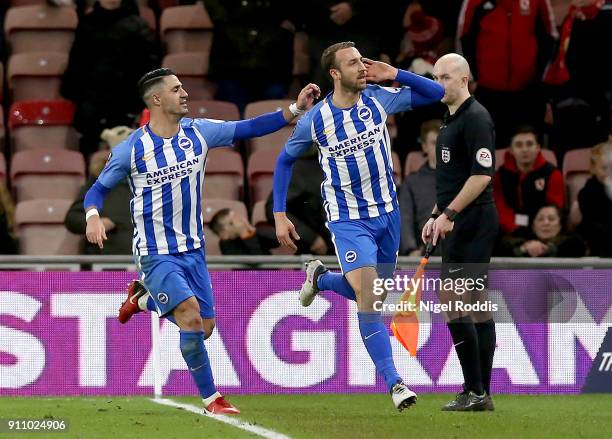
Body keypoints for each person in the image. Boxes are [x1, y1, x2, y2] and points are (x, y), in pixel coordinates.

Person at [84, 68, 320, 414]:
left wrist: (295, 109)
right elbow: (97, 190)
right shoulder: (131, 150)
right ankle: (213, 399)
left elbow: (250, 127)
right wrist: (92, 217)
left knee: (205, 329)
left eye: (183, 87)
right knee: (191, 319)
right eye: (176, 89)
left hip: (193, 250)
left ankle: (142, 299)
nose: (184, 94)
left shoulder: (198, 132)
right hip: (155, 252)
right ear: (157, 99)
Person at [272, 41, 445, 411]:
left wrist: (395, 73)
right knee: (369, 298)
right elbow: (284, 162)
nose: (362, 67)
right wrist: (278, 213)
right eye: (353, 63)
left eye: (362, 60)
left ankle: (321, 279)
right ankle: (395, 382)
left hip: (388, 213)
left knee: (375, 296)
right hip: (349, 219)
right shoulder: (316, 119)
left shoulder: (380, 99)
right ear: (335, 74)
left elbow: (437, 94)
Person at [421, 53, 498, 411]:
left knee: (453, 304)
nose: (439, 83)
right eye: (435, 76)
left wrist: (450, 212)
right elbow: (454, 178)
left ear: (464, 79)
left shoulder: (476, 118)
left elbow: (482, 175)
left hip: (473, 222)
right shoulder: (450, 120)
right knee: (476, 306)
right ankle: (480, 393)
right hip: (460, 219)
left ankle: (476, 391)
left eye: (445, 77)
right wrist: (437, 212)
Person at [61, 0, 159, 156]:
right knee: (90, 152)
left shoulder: (138, 26)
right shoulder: (87, 24)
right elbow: (78, 64)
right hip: (91, 104)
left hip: (126, 102)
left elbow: (149, 68)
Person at [457, 0, 558, 148]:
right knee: (489, 150)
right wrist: (471, 78)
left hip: (528, 92)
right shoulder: (474, 2)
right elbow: (463, 38)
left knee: (529, 150)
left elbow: (550, 38)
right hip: (488, 92)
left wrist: (540, 81)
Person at [65, 126, 134, 254]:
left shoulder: (154, 180)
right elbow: (73, 219)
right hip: (107, 265)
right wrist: (96, 222)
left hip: (149, 263)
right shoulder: (100, 181)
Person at [493, 126, 565, 234]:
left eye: (530, 144)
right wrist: (515, 228)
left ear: (538, 148)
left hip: (543, 229)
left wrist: (538, 228)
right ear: (511, 150)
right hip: (509, 229)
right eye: (519, 145)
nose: (525, 149)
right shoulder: (500, 175)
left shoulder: (553, 174)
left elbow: (554, 209)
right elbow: (499, 207)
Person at [264, 145, 331, 255]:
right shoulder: (301, 168)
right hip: (317, 252)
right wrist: (310, 237)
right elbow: (272, 207)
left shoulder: (345, 165)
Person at [399, 119, 440, 255]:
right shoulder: (412, 182)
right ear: (424, 147)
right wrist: (411, 249)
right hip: (424, 252)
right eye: (434, 143)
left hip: (458, 256)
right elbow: (405, 218)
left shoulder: (462, 180)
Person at [498, 205, 587, 257]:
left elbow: (579, 247)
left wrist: (546, 249)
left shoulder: (572, 241)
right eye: (540, 219)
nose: (546, 223)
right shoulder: (519, 239)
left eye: (551, 219)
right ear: (533, 226)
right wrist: (524, 248)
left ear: (560, 225)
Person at [575, 142, 612, 257]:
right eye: (604, 168)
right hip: (597, 246)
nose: (610, 172)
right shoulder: (587, 193)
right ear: (593, 168)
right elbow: (593, 226)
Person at [209, 208, 279, 255]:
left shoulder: (253, 232)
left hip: (271, 274)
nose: (240, 221)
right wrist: (244, 234)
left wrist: (252, 229)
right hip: (246, 276)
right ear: (224, 233)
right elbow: (255, 261)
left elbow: (276, 242)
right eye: (232, 222)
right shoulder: (226, 244)